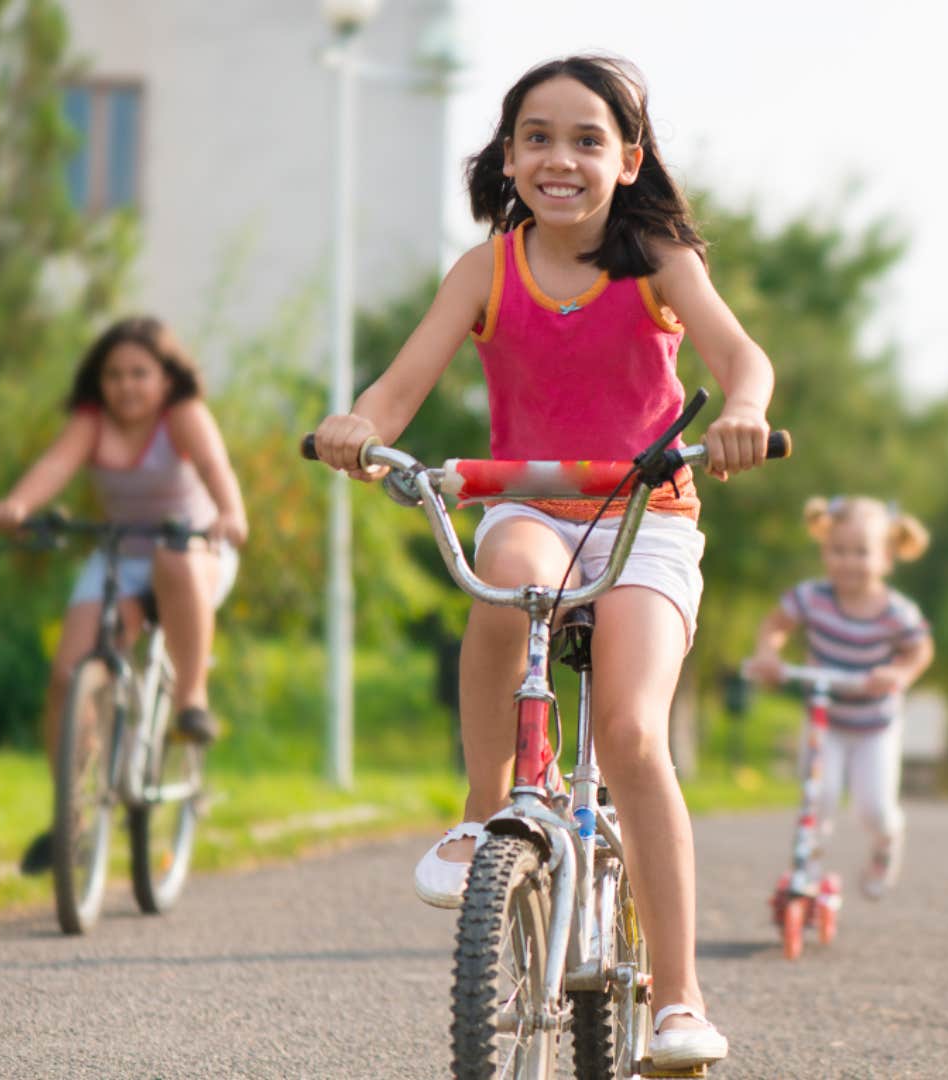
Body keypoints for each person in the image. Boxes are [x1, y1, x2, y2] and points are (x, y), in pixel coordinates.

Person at [309, 54, 773, 1069]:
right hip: (530, 504)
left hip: (644, 512)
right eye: (537, 137)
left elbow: (743, 358)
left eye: (586, 139)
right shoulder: (487, 268)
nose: (559, 157)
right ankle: (489, 811)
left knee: (630, 731)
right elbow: (400, 387)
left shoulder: (658, 261)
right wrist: (359, 424)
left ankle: (681, 1002)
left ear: (629, 159)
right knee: (502, 590)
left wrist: (742, 412)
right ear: (508, 156)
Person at [0, 315, 248, 873]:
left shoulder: (182, 415)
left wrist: (231, 513)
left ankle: (190, 702)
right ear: (98, 382)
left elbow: (214, 466)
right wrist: (18, 505)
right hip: (123, 554)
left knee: (173, 556)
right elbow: (54, 465)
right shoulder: (91, 422)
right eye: (113, 375)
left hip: (195, 550)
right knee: (68, 677)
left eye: (139, 373)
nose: (126, 385)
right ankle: (73, 819)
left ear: (165, 378)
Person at [745, 496, 934, 900]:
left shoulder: (895, 612)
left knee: (874, 809)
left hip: (874, 726)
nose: (848, 561)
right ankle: (807, 869)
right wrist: (769, 654)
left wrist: (899, 673)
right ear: (824, 550)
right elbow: (776, 625)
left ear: (886, 557)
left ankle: (887, 843)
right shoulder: (812, 597)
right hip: (824, 721)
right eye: (838, 551)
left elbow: (920, 650)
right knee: (819, 796)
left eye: (861, 552)